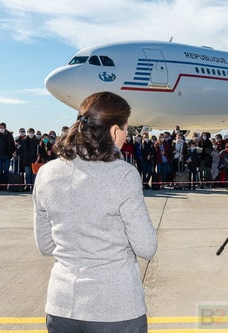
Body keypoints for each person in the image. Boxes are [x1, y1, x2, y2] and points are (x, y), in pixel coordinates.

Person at [33, 91, 158, 333]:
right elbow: (146, 247)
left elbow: (45, 246)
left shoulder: (47, 173)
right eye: (125, 129)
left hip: (61, 306)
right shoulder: (122, 174)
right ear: (113, 131)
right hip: (115, 309)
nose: (125, 135)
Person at [0, 122, 16, 191]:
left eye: (2, 127)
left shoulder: (9, 135)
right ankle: (1, 186)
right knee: (0, 171)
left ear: (5, 127)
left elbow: (12, 145)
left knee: (6, 171)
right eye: (0, 127)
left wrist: (12, 153)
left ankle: (5, 186)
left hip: (7, 156)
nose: (1, 129)